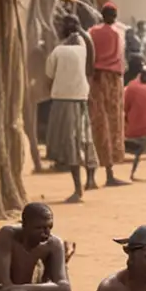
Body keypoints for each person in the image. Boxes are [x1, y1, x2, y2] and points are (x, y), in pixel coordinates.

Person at [44, 14, 97, 202]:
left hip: (63, 100)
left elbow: (48, 77)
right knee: (85, 138)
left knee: (71, 144)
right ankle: (91, 179)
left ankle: (77, 189)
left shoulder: (57, 52)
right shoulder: (84, 47)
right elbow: (90, 66)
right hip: (81, 97)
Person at [87, 3, 129, 187]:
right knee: (112, 126)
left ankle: (91, 175)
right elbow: (121, 57)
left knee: (96, 124)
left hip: (95, 79)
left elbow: (89, 55)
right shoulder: (118, 33)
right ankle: (110, 172)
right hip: (112, 81)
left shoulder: (92, 32)